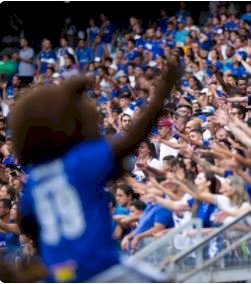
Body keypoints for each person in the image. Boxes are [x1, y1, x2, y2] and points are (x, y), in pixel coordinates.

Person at [11, 52, 182, 282]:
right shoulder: (78, 159)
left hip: (60, 276)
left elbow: (28, 224)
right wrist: (159, 98)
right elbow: (130, 141)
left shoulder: (33, 181)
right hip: (100, 268)